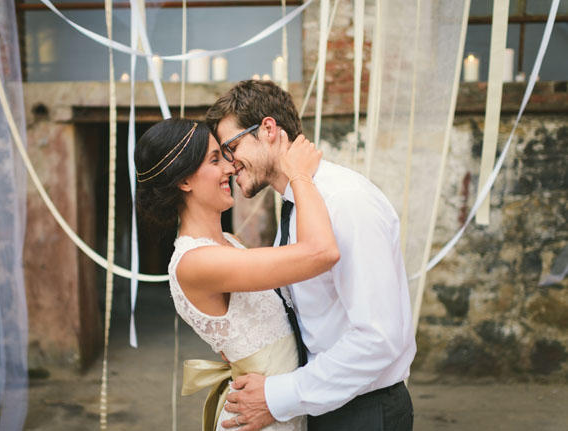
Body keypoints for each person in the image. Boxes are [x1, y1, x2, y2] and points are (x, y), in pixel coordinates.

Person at [205, 80, 417, 431]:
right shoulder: (296, 204)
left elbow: (379, 337)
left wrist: (278, 397)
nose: (229, 165)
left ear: (268, 129)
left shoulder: (344, 201)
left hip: (365, 413)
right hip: (326, 404)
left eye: (231, 147)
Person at [134, 118, 339, 431]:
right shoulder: (196, 262)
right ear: (184, 181)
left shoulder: (232, 243)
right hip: (261, 419)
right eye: (215, 160)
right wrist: (299, 175)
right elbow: (320, 253)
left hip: (278, 404)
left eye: (225, 157)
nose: (230, 168)